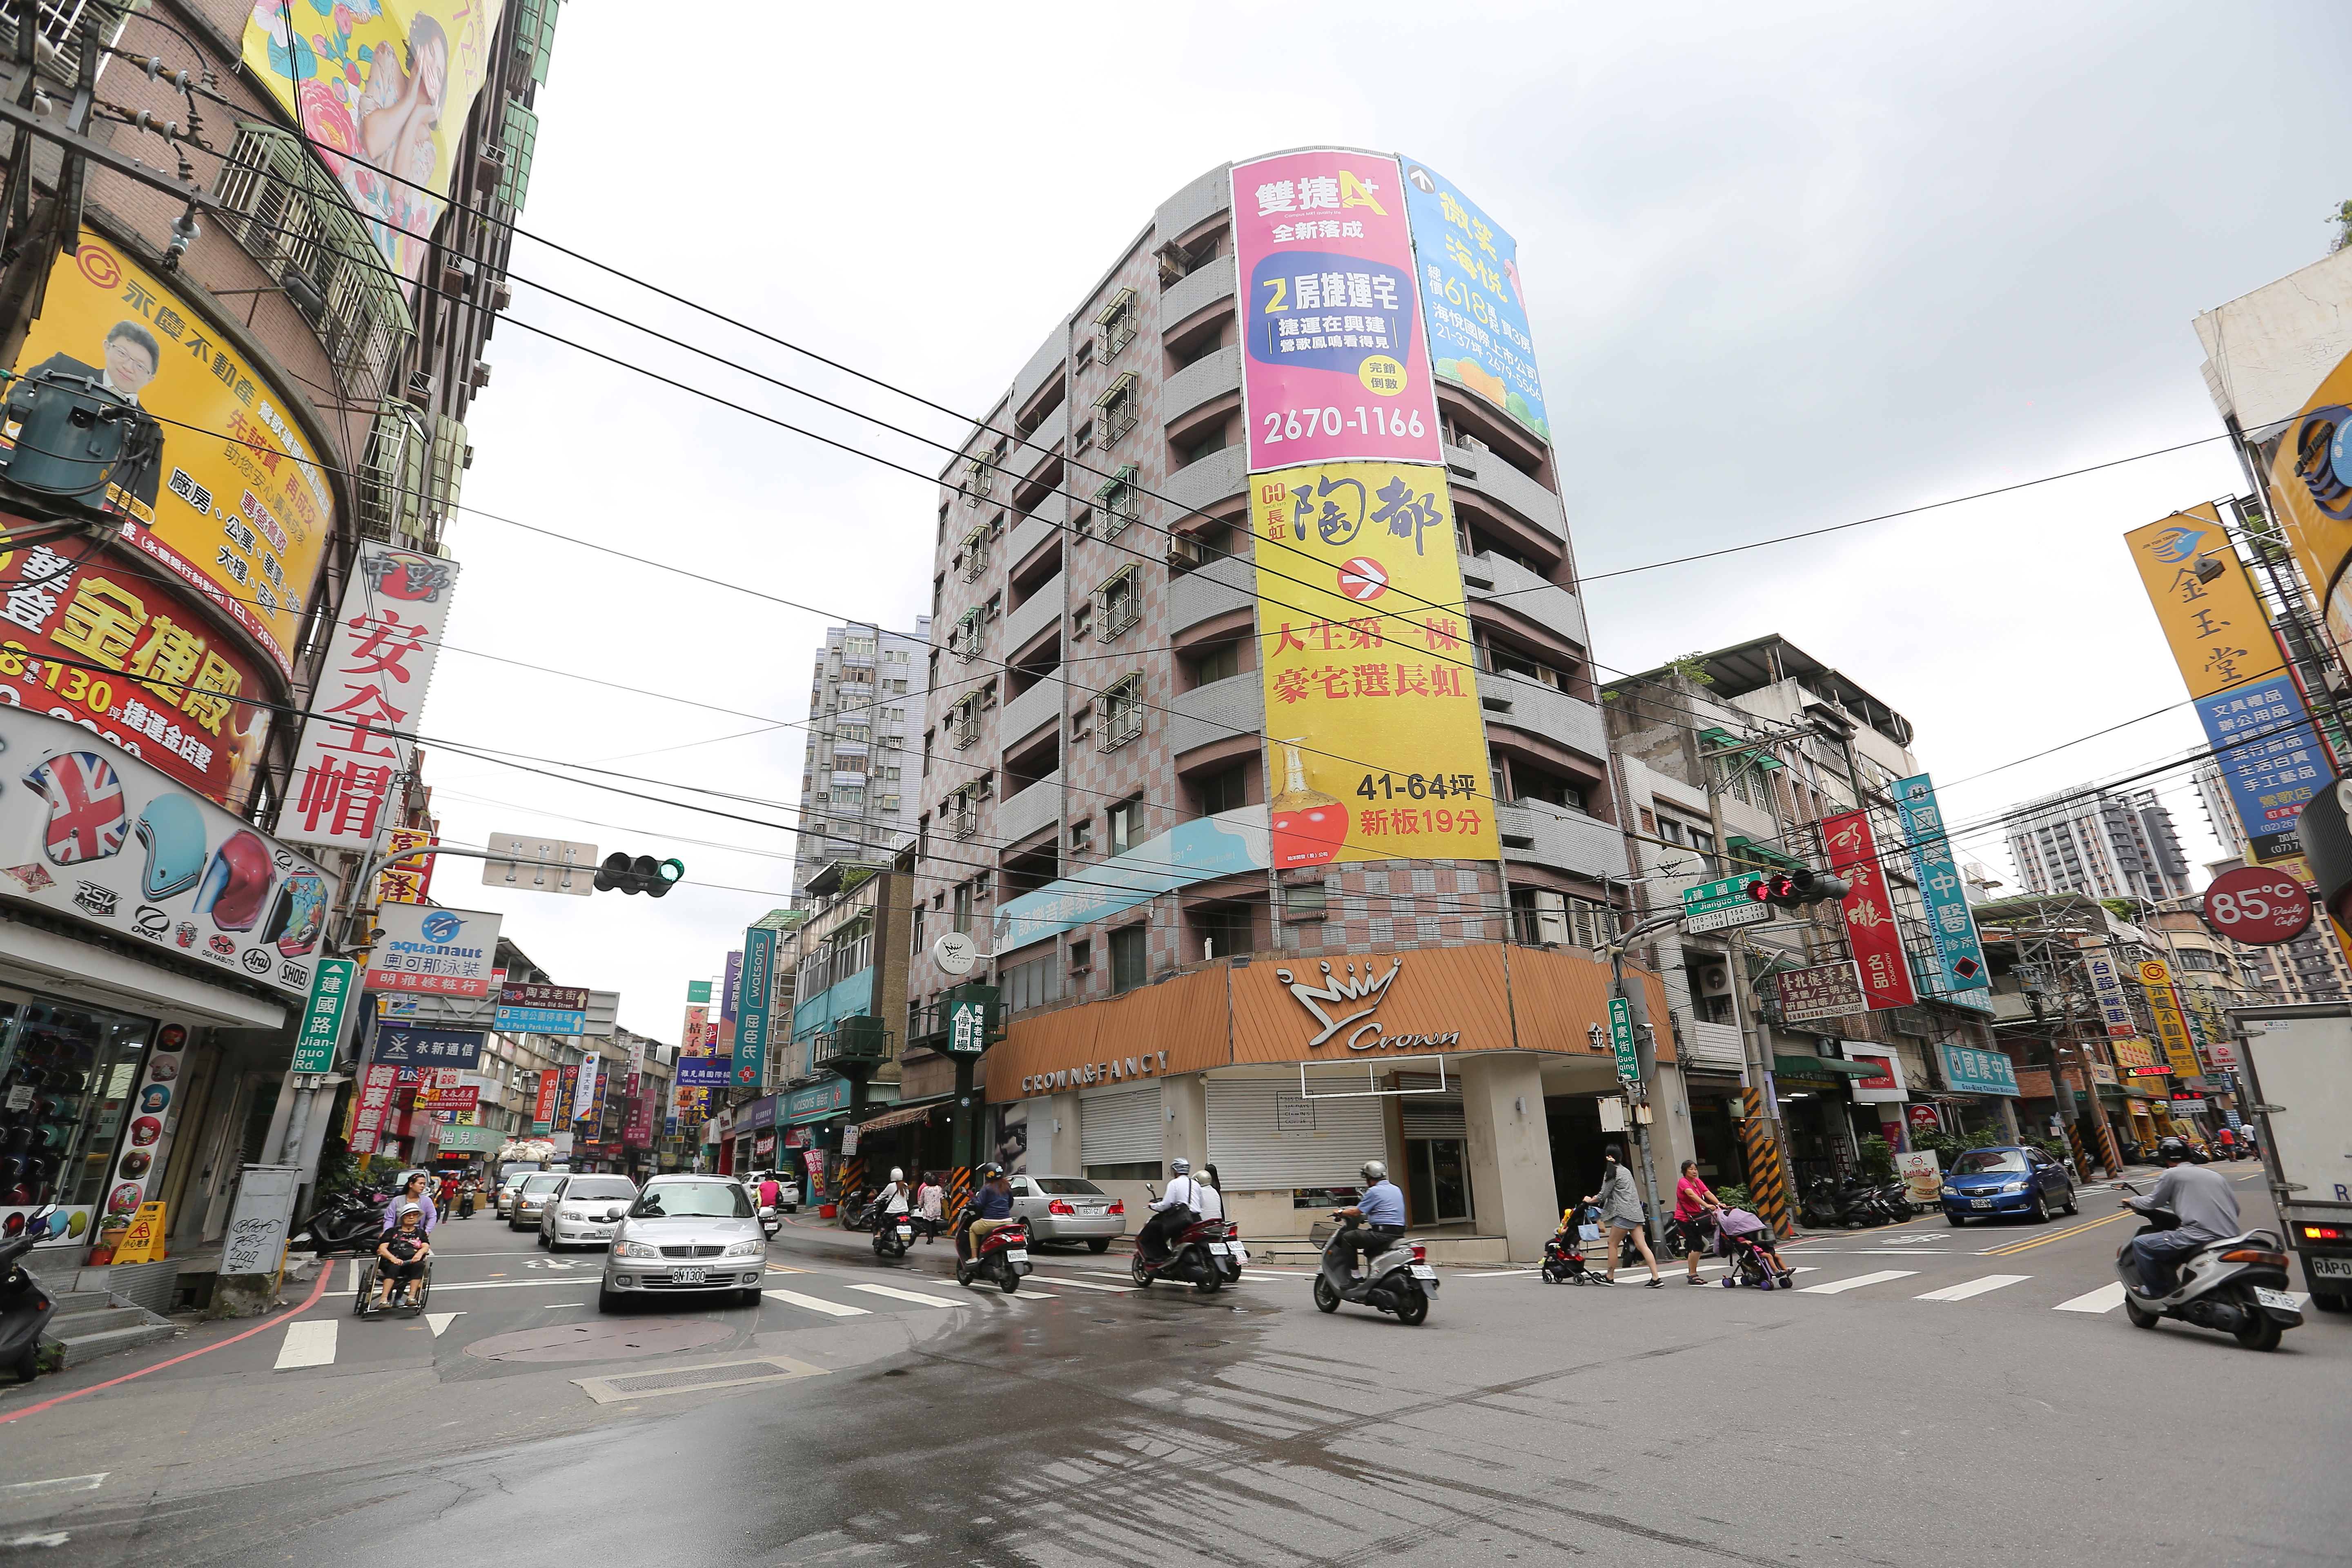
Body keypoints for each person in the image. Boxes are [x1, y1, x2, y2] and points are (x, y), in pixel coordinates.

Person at [19, 321, 166, 512]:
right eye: (122, 353)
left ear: (150, 378)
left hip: (88, 512)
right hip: (21, 480)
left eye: (140, 366)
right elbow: (17, 397)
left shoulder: (148, 429)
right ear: (107, 347)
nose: (128, 367)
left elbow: (144, 498)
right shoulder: (63, 369)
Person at [2123, 1138, 2241, 1295]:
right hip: (2231, 1235)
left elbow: (2153, 1201)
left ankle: (2156, 1291)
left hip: (2200, 1235)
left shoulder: (2172, 1174)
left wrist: (2132, 1200)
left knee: (2141, 1244)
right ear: (2190, 1156)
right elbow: (2236, 1209)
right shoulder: (2213, 1175)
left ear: (2163, 1158)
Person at [1584, 1148, 1660, 1287]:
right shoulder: (1626, 1171)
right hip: (1636, 1212)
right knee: (1642, 1245)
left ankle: (1610, 1276)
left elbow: (1603, 1195)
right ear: (1620, 1157)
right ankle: (1656, 1278)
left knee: (1612, 1244)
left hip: (1624, 1214)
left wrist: (1589, 1200)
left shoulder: (1612, 1173)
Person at [1331, 1159, 1405, 1277]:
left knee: (1347, 1238)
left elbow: (1356, 1213)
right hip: (1399, 1233)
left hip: (1381, 1234)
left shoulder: (1374, 1191)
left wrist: (1341, 1211)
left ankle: (1355, 1276)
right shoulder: (1396, 1189)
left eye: (1366, 1178)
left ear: (1370, 1177)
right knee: (1369, 1251)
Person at [1140, 1158, 1206, 1261]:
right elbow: (1202, 1204)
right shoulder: (1196, 1184)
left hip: (1181, 1220)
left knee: (1154, 1227)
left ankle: (1164, 1256)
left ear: (1175, 1170)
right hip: (1197, 1219)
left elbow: (1166, 1204)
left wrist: (1152, 1205)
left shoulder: (1174, 1183)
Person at [372, 1203, 431, 1310]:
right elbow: (382, 1248)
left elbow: (426, 1246)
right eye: (408, 1215)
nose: (412, 1217)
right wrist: (393, 1259)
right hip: (391, 1262)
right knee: (395, 1266)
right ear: (403, 1217)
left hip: (410, 1263)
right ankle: (384, 1299)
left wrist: (419, 1254)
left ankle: (412, 1298)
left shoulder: (420, 1233)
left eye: (415, 1215)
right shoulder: (392, 1231)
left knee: (419, 1265)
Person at [1671, 1159, 1721, 1285]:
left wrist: (1718, 1204)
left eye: (1695, 1169)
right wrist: (1707, 1205)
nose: (1694, 1172)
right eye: (1691, 1169)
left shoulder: (1698, 1182)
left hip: (1696, 1218)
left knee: (1699, 1245)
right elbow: (1692, 1195)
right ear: (1685, 1171)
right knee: (1697, 1244)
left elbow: (1707, 1192)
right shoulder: (1683, 1182)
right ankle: (1692, 1274)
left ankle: (1692, 1271)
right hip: (1684, 1219)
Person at [960, 1164, 1014, 1262]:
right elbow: (1010, 1203)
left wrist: (973, 1199)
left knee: (973, 1229)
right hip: (1007, 1222)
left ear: (989, 1175)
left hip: (990, 1222)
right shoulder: (1007, 1186)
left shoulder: (987, 1187)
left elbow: (980, 1205)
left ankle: (974, 1257)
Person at [383, 1172, 437, 1236]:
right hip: (397, 1235)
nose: (423, 1186)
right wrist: (387, 1232)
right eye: (420, 1184)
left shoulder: (427, 1201)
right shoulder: (397, 1200)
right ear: (411, 1185)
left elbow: (433, 1217)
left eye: (424, 1184)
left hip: (417, 1235)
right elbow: (389, 1218)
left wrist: (427, 1231)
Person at [915, 1171, 944, 1242]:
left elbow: (921, 1199)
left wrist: (920, 1206)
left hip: (928, 1209)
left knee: (928, 1223)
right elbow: (942, 1197)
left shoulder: (925, 1189)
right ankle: (933, 1237)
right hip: (936, 1209)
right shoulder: (939, 1188)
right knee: (934, 1223)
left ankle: (929, 1238)